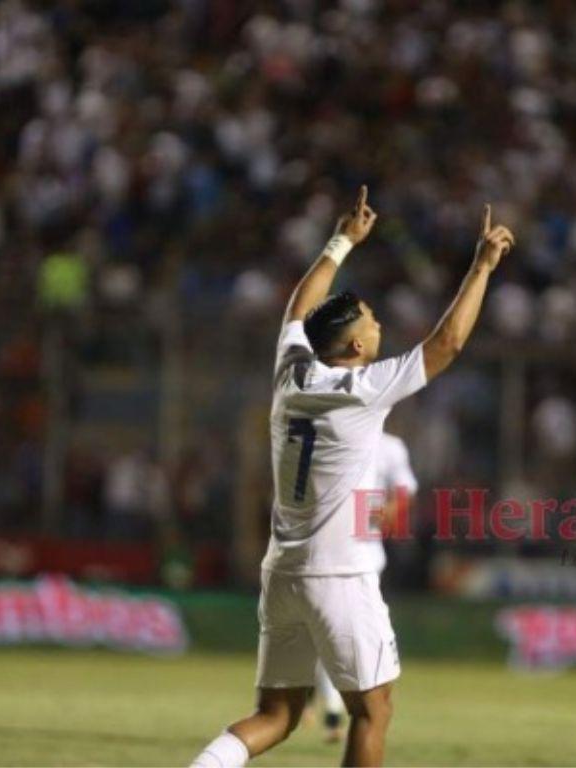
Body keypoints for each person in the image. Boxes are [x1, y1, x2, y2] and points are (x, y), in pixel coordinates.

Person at [190, 186, 514, 768]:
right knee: (373, 711)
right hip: (340, 574)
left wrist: (341, 242)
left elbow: (298, 309)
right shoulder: (364, 390)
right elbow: (448, 343)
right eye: (373, 319)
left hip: (283, 570)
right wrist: (482, 268)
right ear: (358, 343)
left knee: (276, 716)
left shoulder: (291, 372)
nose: (380, 323)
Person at [311, 430, 419, 744]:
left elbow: (405, 490)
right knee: (330, 629)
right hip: (329, 554)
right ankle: (334, 711)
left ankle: (337, 702)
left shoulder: (390, 446)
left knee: (357, 635)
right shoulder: (328, 439)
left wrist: (387, 513)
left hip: (367, 556)